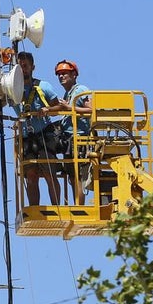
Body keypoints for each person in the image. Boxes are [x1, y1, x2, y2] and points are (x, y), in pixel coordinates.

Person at [12, 52, 65, 206]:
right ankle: (34, 208)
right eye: (20, 67)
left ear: (32, 67)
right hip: (27, 137)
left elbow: (59, 106)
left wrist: (48, 110)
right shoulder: (12, 89)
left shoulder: (43, 86)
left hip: (44, 134)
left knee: (49, 172)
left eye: (26, 66)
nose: (23, 70)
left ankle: (56, 207)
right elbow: (0, 101)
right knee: (31, 174)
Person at [49, 59, 93, 204]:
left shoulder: (81, 90)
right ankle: (75, 204)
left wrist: (68, 108)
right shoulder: (69, 93)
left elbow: (91, 109)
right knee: (71, 175)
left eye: (64, 73)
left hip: (78, 138)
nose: (61, 76)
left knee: (76, 176)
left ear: (74, 75)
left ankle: (79, 207)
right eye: (59, 74)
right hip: (69, 138)